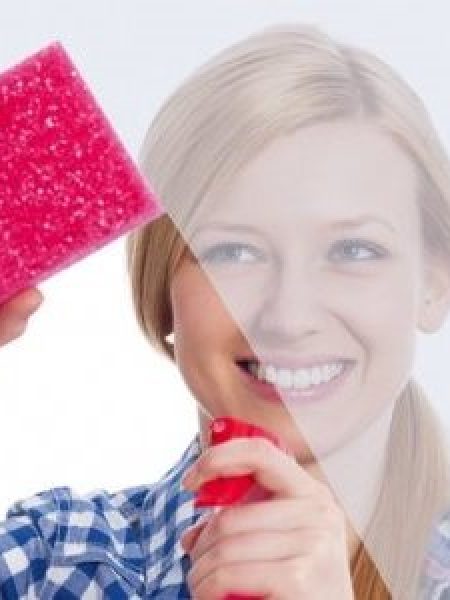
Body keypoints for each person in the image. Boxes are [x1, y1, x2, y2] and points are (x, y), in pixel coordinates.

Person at [1, 22, 450, 599]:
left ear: (435, 284)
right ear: (161, 289)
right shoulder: (50, 563)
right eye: (233, 252)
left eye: (353, 250)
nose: (289, 316)